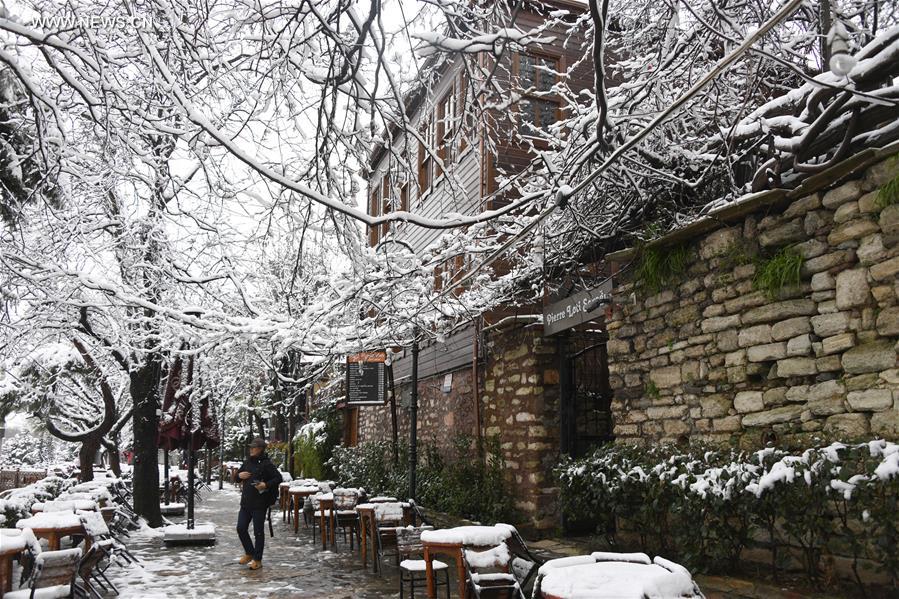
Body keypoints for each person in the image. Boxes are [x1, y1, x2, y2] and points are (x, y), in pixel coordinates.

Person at [236, 437, 282, 570]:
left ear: (260, 449)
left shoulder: (266, 464)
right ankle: (249, 552)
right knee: (241, 528)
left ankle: (257, 559)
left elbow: (278, 478)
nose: (250, 449)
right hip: (245, 503)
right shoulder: (247, 462)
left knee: (258, 532)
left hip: (259, 504)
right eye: (250, 447)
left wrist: (265, 484)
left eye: (253, 447)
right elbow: (237, 477)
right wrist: (239, 476)